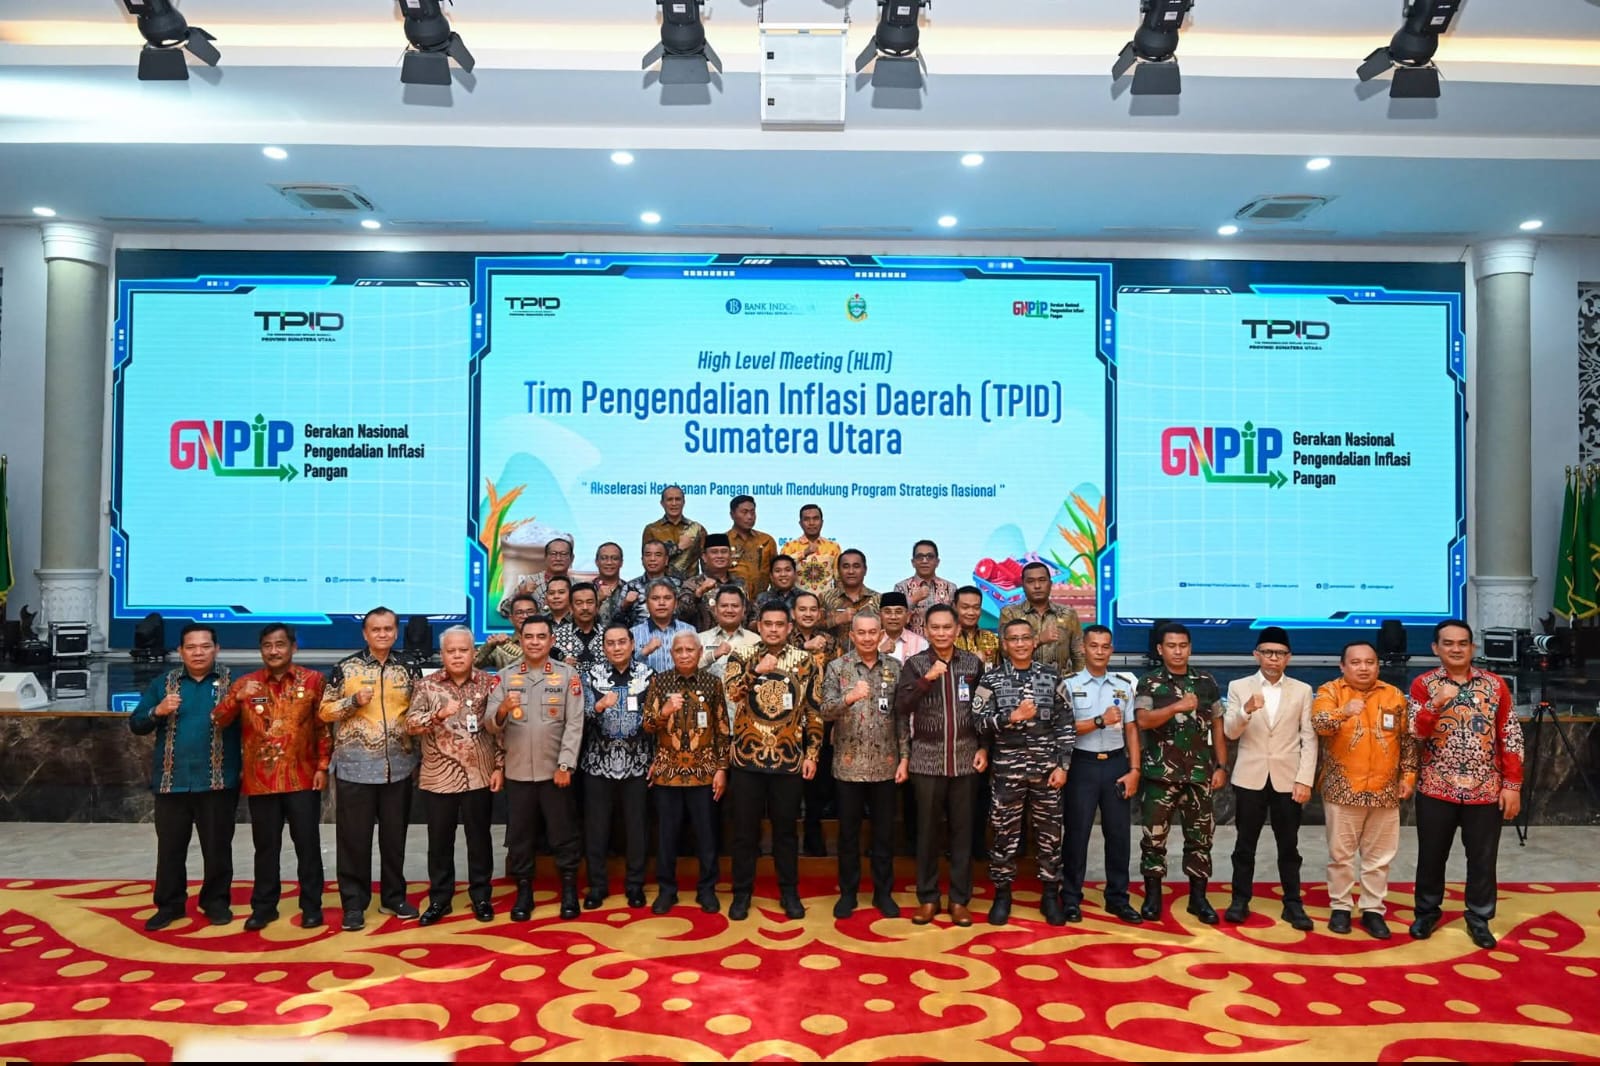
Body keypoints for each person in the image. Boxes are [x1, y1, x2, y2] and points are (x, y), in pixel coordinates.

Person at [1408, 620, 1523, 949]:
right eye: (1448, 643)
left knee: (1482, 859)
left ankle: (1479, 918)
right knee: (1431, 855)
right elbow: (1415, 731)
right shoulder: (1423, 684)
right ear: (1436, 648)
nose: (1456, 649)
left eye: (1462, 643)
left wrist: (1512, 785)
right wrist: (1436, 703)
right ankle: (1426, 912)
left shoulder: (1495, 685)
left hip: (1486, 789)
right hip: (1436, 787)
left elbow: (1510, 735)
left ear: (1473, 647)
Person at [211, 623, 328, 931]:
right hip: (261, 781)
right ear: (261, 649)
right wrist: (236, 699)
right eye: (267, 645)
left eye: (280, 644)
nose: (274, 651)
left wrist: (323, 766)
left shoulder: (313, 681)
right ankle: (264, 907)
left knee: (307, 845)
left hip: (302, 777)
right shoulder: (245, 683)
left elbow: (322, 727)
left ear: (293, 647)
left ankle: (312, 907)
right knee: (265, 848)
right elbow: (219, 720)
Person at [129, 623, 241, 931]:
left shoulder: (234, 684)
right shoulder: (164, 683)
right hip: (171, 781)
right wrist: (157, 710)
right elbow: (136, 724)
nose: (198, 653)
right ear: (180, 651)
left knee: (218, 848)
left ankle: (215, 902)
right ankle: (170, 905)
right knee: (170, 850)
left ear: (217, 649)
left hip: (218, 780)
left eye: (205, 646)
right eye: (191, 647)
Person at [319, 606, 422, 931]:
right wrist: (353, 702)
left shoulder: (409, 667)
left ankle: (394, 897)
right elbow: (324, 711)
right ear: (365, 633)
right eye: (375, 629)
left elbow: (418, 710)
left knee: (394, 839)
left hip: (398, 768)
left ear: (396, 631)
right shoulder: (345, 668)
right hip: (355, 769)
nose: (382, 634)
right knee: (354, 840)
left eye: (388, 629)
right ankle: (354, 903)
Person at [723, 602, 822, 920]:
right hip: (747, 758)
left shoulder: (806, 661)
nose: (774, 629)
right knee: (744, 832)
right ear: (759, 626)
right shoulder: (741, 655)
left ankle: (789, 893)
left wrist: (812, 754)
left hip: (788, 759)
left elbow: (814, 710)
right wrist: (755, 671)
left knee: (786, 832)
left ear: (790, 627)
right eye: (768, 624)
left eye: (780, 624)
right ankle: (742, 894)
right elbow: (732, 693)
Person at [971, 618, 1073, 926]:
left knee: (1050, 836)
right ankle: (1002, 895)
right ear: (1004, 644)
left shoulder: (1051, 676)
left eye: (1025, 638)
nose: (1020, 644)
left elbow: (1065, 724)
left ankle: (1050, 896)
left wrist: (1063, 765)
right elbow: (977, 722)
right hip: (1007, 772)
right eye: (1013, 639)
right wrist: (1010, 717)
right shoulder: (991, 680)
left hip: (1047, 772)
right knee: (1004, 834)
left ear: (1033, 641)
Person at [1312, 640, 1416, 940]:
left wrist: (1408, 776)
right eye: (1356, 662)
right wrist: (1343, 712)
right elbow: (1320, 724)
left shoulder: (1394, 695)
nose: (1363, 668)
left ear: (1378, 665)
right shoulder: (1330, 691)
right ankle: (1341, 907)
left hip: (1385, 789)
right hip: (1343, 789)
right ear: (1342, 666)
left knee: (1379, 857)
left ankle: (1373, 909)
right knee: (1341, 856)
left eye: (1370, 662)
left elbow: (1407, 740)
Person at [485, 615, 586, 921]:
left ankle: (569, 891)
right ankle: (524, 893)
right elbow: (490, 725)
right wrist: (503, 709)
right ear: (520, 639)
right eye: (529, 636)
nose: (535, 642)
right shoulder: (504, 677)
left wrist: (565, 764)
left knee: (563, 835)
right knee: (521, 838)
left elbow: (574, 724)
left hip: (555, 772)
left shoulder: (567, 676)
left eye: (541, 636)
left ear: (551, 641)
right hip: (517, 773)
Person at [896, 604, 987, 927]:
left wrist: (985, 747)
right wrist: (927, 680)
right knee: (927, 834)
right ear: (926, 630)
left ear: (957, 629)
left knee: (963, 833)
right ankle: (929, 898)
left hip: (965, 760)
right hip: (926, 760)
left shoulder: (973, 664)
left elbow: (984, 709)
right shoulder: (915, 664)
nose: (941, 633)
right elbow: (902, 705)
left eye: (947, 627)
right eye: (935, 627)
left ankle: (959, 900)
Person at [404, 626, 503, 925]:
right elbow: (410, 725)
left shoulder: (489, 682)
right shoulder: (427, 685)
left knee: (479, 839)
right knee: (440, 841)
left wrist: (499, 766)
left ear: (474, 652)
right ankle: (440, 899)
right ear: (442, 654)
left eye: (463, 650)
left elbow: (499, 729)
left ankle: (481, 896)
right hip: (439, 776)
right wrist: (438, 715)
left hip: (479, 774)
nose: (457, 656)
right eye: (451, 651)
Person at [1222, 626, 1317, 931]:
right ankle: (1240, 900)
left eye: (1280, 653)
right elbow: (1230, 732)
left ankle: (1293, 904)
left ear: (1288, 657)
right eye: (1267, 652)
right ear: (1256, 655)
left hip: (1288, 778)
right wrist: (1246, 711)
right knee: (1244, 845)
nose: (1273, 658)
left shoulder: (1302, 690)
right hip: (1250, 777)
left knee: (1289, 845)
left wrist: (1305, 779)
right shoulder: (1239, 686)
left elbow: (1309, 738)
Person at [1134, 622, 1227, 924]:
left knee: (1200, 838)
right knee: (1154, 839)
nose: (1178, 651)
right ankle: (1152, 897)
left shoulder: (1206, 682)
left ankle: (1198, 899)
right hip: (1160, 775)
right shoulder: (1149, 682)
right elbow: (1143, 721)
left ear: (1190, 648)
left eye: (1183, 646)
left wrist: (1222, 765)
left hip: (1199, 775)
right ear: (1160, 649)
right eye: (1171, 646)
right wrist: (1176, 707)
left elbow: (1217, 725)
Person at [820, 611, 908, 919]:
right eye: (862, 632)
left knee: (884, 835)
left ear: (881, 634)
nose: (868, 637)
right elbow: (824, 710)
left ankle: (883, 893)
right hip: (848, 766)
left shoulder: (895, 668)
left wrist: (905, 757)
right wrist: (849, 698)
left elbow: (901, 717)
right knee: (848, 835)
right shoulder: (837, 667)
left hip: (886, 765)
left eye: (873, 632)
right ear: (852, 635)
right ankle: (848, 893)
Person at [642, 631, 731, 914]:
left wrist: (722, 769)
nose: (684, 655)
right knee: (666, 837)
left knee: (706, 836)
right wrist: (665, 711)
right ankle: (667, 890)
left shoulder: (712, 683)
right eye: (678, 650)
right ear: (671, 653)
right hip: (668, 773)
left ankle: (707, 890)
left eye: (689, 650)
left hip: (704, 773)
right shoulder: (659, 682)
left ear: (699, 651)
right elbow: (647, 725)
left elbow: (722, 729)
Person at [1061, 624, 1144, 924]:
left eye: (1105, 646)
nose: (1099, 651)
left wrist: (1134, 770)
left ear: (1112, 650)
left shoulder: (1124, 685)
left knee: (1119, 835)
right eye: (1093, 645)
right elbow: (1064, 729)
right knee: (1077, 834)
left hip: (1115, 765)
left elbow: (1131, 728)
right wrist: (1099, 720)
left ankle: (1118, 898)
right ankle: (1071, 897)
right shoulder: (1068, 685)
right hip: (1081, 765)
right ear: (1083, 648)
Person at [579, 623, 656, 910]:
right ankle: (597, 886)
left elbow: (656, 722)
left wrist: (657, 759)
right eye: (610, 643)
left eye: (622, 642)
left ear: (632, 644)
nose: (616, 647)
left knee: (637, 829)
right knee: (596, 829)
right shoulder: (591, 675)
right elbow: (580, 717)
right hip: (598, 765)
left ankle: (635, 885)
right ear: (603, 647)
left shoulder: (648, 675)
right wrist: (598, 707)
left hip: (638, 765)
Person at [999, 561, 1086, 678]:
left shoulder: (1068, 614)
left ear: (1050, 584)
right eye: (1030, 581)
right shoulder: (1010, 613)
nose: (1037, 586)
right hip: (1021, 683)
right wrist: (1039, 640)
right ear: (1023, 586)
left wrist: (1079, 683)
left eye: (1042, 580)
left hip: (1062, 683)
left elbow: (1079, 654)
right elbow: (1004, 652)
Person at [631, 579, 696, 675]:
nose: (661, 603)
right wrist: (644, 652)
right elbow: (626, 669)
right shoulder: (634, 633)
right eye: (655, 598)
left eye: (667, 598)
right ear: (647, 604)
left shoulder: (689, 631)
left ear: (676, 604)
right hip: (645, 684)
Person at [498, 536, 575, 617]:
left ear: (572, 558)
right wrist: (520, 596)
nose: (558, 558)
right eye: (553, 554)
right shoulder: (530, 581)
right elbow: (504, 611)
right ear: (545, 557)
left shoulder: (577, 586)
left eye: (563, 554)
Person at [642, 484, 705, 582]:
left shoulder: (697, 529)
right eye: (670, 500)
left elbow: (706, 562)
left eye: (678, 499)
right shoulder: (652, 529)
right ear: (662, 503)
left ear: (683, 502)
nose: (674, 503)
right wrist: (679, 548)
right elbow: (649, 561)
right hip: (660, 585)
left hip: (691, 585)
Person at [895, 540, 957, 635]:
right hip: (911, 643)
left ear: (937, 562)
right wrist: (914, 599)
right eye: (920, 557)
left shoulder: (950, 588)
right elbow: (894, 619)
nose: (925, 561)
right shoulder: (901, 587)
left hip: (943, 641)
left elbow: (956, 621)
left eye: (930, 557)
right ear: (913, 562)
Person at [698, 585, 759, 680]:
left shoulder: (755, 641)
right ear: (715, 610)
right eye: (724, 606)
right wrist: (712, 656)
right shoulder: (700, 639)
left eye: (735, 606)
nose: (729, 610)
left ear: (743, 610)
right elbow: (686, 671)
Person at [780, 503, 841, 594]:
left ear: (822, 522)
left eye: (815, 519)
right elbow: (781, 570)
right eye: (806, 519)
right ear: (800, 524)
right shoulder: (789, 547)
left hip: (825, 601)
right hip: (797, 600)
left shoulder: (833, 547)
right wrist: (804, 553)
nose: (811, 523)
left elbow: (839, 579)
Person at [727, 494, 779, 598]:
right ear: (732, 515)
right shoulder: (724, 542)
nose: (750, 517)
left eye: (752, 512)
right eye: (744, 512)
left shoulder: (766, 540)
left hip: (762, 600)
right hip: (731, 600)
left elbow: (776, 573)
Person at [690, 533, 745, 630]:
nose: (720, 556)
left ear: (730, 555)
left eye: (724, 552)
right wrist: (699, 593)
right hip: (704, 638)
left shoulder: (741, 583)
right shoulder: (692, 584)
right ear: (704, 557)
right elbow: (681, 614)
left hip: (738, 637)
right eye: (714, 552)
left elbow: (749, 613)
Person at [821, 549, 880, 639]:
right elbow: (811, 627)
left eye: (856, 566)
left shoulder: (878, 599)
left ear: (865, 570)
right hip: (832, 648)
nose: (851, 571)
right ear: (838, 571)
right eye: (846, 566)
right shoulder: (825, 597)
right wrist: (836, 620)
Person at [554, 582, 605, 669]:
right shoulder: (557, 637)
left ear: (597, 606)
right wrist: (560, 666)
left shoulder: (608, 636)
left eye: (590, 602)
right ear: (570, 608)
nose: (585, 607)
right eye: (579, 603)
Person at [477, 594, 536, 670]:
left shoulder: (547, 644)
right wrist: (489, 646)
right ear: (511, 618)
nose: (525, 616)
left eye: (530, 612)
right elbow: (470, 665)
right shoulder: (501, 646)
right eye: (519, 612)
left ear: (538, 615)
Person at [952, 586, 1000, 668]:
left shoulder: (992, 638)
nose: (971, 612)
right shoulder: (946, 638)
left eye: (976, 607)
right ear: (955, 607)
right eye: (965, 607)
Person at [878, 591, 928, 661]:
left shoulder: (920, 643)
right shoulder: (870, 641)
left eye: (898, 612)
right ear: (880, 616)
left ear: (907, 616)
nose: (893, 617)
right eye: (888, 612)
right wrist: (879, 652)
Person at [591, 542, 626, 618]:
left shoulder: (629, 589)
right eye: (604, 558)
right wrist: (597, 599)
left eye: (615, 558)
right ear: (596, 562)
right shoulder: (586, 589)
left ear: (621, 563)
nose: (609, 562)